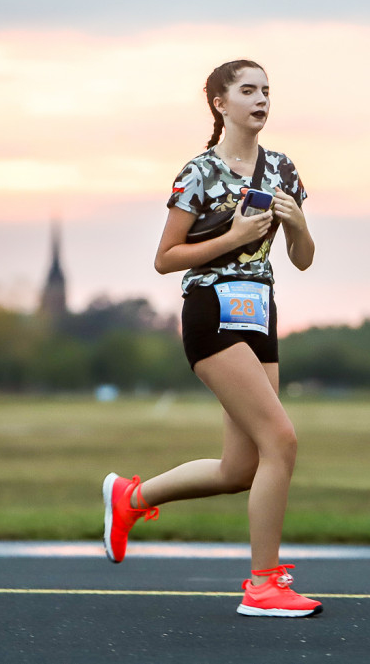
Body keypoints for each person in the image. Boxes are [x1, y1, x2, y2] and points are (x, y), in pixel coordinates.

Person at [102, 59, 321, 618]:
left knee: (239, 469)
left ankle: (132, 498)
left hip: (260, 315)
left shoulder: (284, 169)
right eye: (248, 90)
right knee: (283, 441)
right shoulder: (199, 171)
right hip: (210, 312)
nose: (261, 99)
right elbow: (164, 259)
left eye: (267, 90)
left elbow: (302, 259)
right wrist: (233, 235)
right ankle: (264, 584)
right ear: (220, 104)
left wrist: (296, 225)